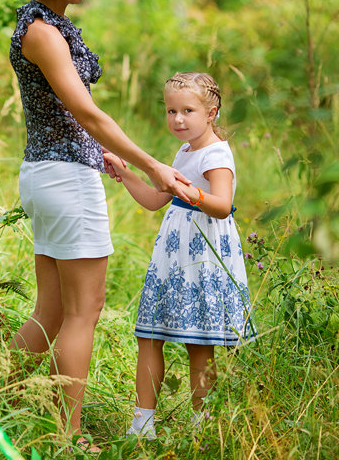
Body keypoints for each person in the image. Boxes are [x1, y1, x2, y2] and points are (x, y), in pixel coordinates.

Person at [8, 0, 192, 449]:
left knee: (52, 311)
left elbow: (64, 115)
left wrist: (102, 152)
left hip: (53, 172)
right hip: (63, 180)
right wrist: (154, 166)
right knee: (83, 314)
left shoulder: (43, 22)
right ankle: (70, 435)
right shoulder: (42, 32)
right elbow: (86, 112)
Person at [103, 72, 257, 440]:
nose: (178, 119)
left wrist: (190, 192)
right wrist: (127, 175)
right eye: (171, 111)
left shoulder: (216, 153)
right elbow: (157, 200)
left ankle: (202, 425)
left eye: (188, 110)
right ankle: (142, 425)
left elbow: (222, 205)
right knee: (149, 335)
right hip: (173, 256)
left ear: (212, 112)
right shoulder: (183, 152)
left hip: (203, 253)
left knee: (199, 343)